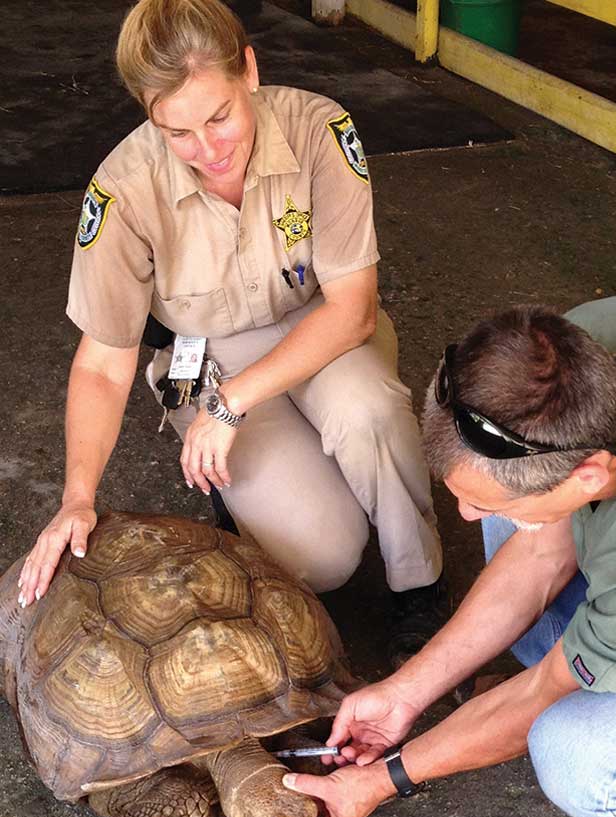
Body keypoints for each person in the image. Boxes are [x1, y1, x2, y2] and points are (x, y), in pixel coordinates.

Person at [281, 295, 616, 817]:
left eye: (475, 499)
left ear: (590, 474)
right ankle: (597, 659)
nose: (463, 516)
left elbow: (538, 695)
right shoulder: (567, 360)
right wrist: (407, 691)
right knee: (520, 525)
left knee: (574, 753)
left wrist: (378, 782)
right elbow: (539, 559)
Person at [17, 0, 444, 636]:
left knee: (370, 414)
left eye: (220, 117)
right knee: (325, 554)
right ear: (147, 112)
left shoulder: (320, 130)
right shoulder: (121, 191)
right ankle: (251, 492)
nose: (209, 149)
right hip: (210, 355)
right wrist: (77, 498)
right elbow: (104, 364)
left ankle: (420, 584)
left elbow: (352, 310)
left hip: (323, 330)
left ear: (248, 69)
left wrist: (232, 405)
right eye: (177, 132)